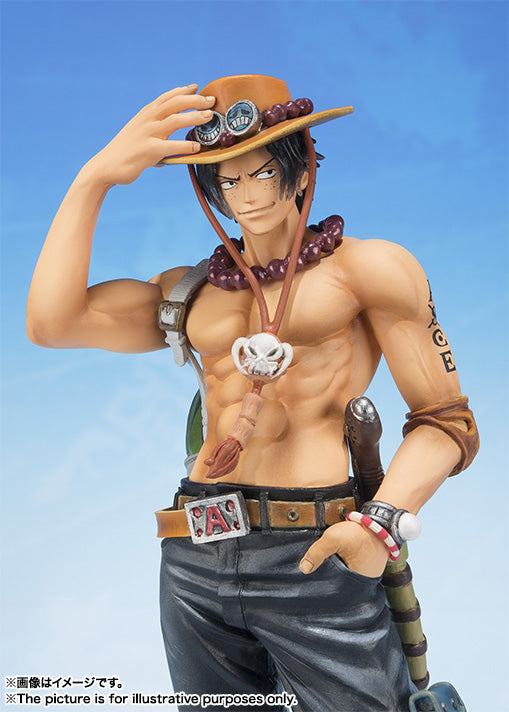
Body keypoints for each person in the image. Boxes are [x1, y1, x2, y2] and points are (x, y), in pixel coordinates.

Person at [27, 75, 478, 712]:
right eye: (229, 179)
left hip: (315, 549)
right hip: (195, 549)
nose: (247, 193)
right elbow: (52, 323)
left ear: (300, 173)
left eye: (264, 172)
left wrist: (377, 525)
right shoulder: (191, 292)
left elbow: (447, 421)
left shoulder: (367, 270)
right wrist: (92, 179)